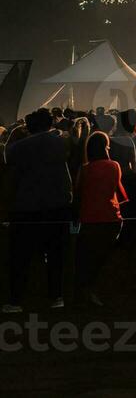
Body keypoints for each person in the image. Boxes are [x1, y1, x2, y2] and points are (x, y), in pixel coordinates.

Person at [5, 110, 73, 312]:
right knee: (55, 254)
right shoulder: (62, 143)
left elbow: (9, 165)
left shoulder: (19, 147)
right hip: (57, 204)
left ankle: (16, 300)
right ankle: (56, 296)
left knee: (20, 256)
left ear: (28, 126)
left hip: (28, 205)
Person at [74, 130, 128, 306]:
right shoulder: (114, 166)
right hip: (111, 217)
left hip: (89, 218)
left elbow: (78, 193)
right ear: (106, 148)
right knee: (105, 257)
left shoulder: (84, 169)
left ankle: (87, 289)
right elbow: (117, 191)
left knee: (89, 258)